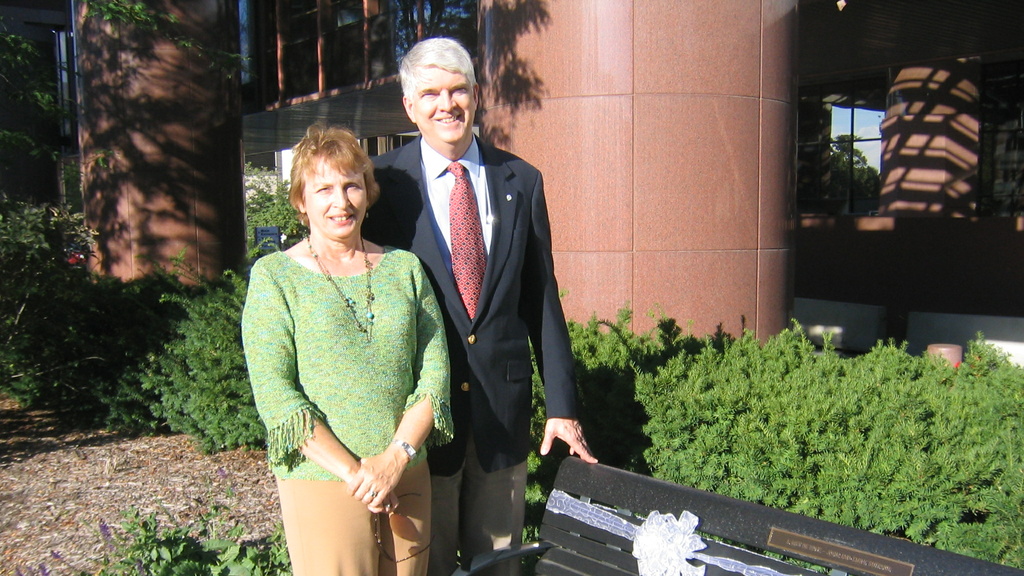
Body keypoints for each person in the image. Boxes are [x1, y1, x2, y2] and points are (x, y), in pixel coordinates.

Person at [362, 37, 598, 576]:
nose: (446, 104)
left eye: (457, 90)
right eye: (430, 94)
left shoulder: (523, 180)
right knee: (428, 565)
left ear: (476, 95)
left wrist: (562, 404)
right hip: (421, 421)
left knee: (500, 564)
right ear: (409, 106)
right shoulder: (382, 185)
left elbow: (541, 297)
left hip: (503, 414)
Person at [242, 123, 452, 576]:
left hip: (407, 476)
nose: (341, 202)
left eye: (351, 185)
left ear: (367, 192)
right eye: (324, 189)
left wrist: (395, 459)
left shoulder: (405, 269)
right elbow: (276, 393)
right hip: (323, 484)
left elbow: (434, 374)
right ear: (301, 200)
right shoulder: (274, 277)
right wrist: (358, 475)